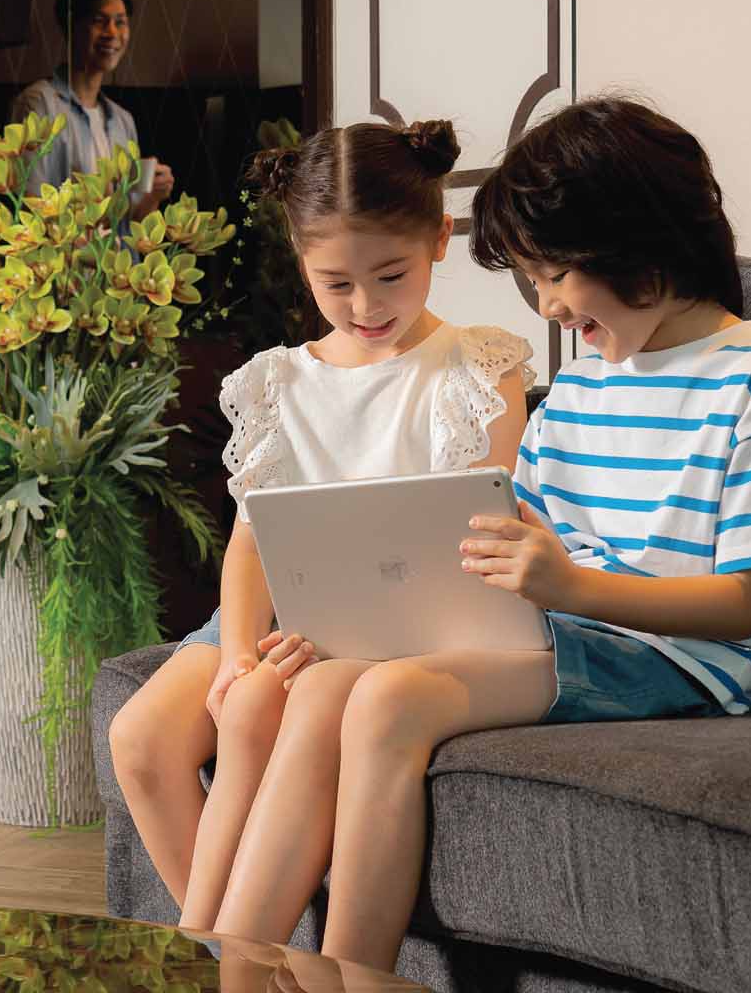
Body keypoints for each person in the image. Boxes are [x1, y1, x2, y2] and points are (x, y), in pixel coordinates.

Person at [204, 96, 751, 970]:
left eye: (552, 277)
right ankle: (231, 971)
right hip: (564, 630)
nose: (546, 307)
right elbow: (517, 526)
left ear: (637, 251)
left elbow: (747, 606)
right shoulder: (586, 382)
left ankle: (350, 982)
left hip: (682, 656)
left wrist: (566, 584)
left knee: (390, 700)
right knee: (320, 688)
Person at [107, 119, 536, 927]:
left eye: (390, 275)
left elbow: (475, 526)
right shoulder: (276, 382)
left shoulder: (479, 366)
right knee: (140, 737)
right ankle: (234, 953)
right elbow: (251, 539)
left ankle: (229, 949)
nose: (366, 306)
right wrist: (238, 654)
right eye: (336, 283)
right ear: (301, 262)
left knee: (259, 711)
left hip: (400, 620)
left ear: (438, 239)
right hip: (279, 612)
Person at [11, 0, 173, 218]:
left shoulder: (122, 121)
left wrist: (153, 196)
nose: (112, 33)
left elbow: (128, 221)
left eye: (120, 22)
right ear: (71, 27)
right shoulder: (39, 103)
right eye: (99, 21)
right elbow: (28, 207)